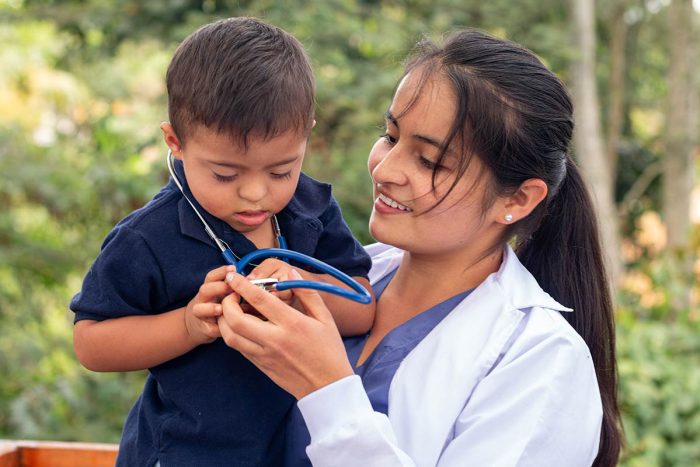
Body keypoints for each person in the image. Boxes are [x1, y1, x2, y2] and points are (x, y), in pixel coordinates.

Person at [217, 28, 623, 466]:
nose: (386, 169)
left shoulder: (542, 361)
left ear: (517, 199)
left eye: (430, 161)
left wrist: (326, 389)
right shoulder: (336, 275)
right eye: (390, 136)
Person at [69, 17, 374, 466]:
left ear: (306, 133)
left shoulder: (312, 208)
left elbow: (364, 306)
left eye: (281, 171)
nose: (255, 193)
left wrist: (302, 289)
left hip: (299, 450)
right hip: (187, 454)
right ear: (175, 142)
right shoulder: (147, 239)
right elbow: (91, 344)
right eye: (225, 174)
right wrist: (188, 326)